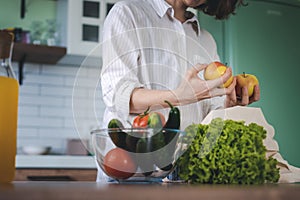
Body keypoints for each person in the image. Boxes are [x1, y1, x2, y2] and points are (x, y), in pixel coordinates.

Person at [98, 0, 260, 182]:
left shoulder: (205, 40)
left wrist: (228, 104)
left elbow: (208, 113)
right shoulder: (128, 13)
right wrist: (177, 97)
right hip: (133, 172)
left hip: (186, 175)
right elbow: (116, 94)